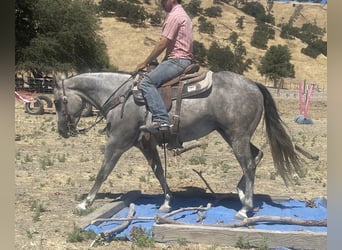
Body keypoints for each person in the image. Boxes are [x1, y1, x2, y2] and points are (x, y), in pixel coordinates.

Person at [136, 0, 193, 133]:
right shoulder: (183, 14)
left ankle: (161, 119)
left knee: (146, 82)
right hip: (183, 59)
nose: (160, 3)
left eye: (162, 0)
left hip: (177, 60)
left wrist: (145, 62)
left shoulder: (175, 16)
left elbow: (163, 42)